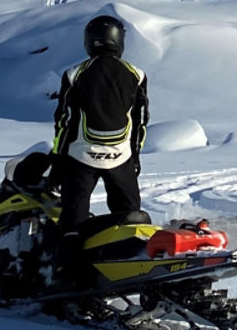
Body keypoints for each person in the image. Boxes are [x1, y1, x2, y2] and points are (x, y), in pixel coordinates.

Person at [51, 15, 149, 278]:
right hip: (122, 156)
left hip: (81, 156)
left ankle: (67, 276)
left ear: (89, 42)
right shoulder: (136, 74)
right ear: (119, 41)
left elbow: (64, 121)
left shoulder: (74, 73)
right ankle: (131, 271)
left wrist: (58, 158)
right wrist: (135, 156)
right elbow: (140, 122)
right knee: (130, 218)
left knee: (73, 221)